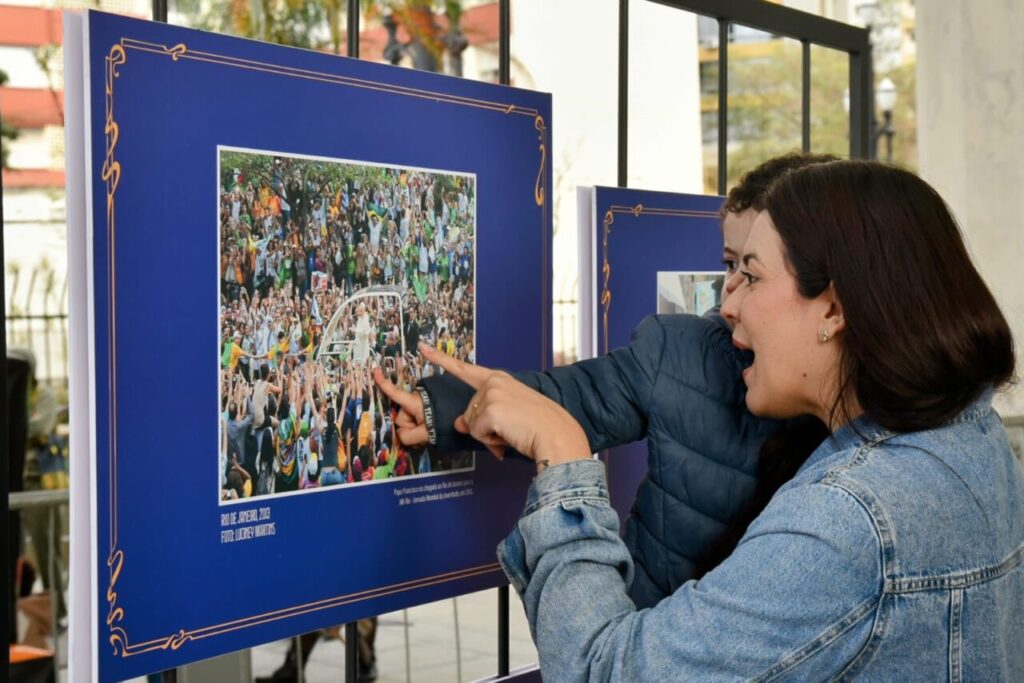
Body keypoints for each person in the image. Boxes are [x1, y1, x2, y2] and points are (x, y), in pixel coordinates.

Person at [396, 160, 1023, 679]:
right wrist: (443, 407)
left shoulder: (849, 519)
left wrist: (563, 457)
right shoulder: (973, 435)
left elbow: (599, 669)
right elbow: (587, 389)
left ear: (833, 307)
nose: (730, 304)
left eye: (750, 275)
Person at [376, 153, 838, 607]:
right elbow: (576, 398)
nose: (731, 294)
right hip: (656, 622)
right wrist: (444, 406)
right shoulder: (682, 353)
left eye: (751, 271)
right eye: (728, 265)